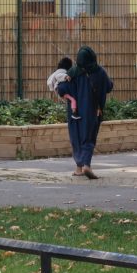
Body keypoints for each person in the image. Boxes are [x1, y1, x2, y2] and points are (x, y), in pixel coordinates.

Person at [55, 45, 113, 178]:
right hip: (93, 111)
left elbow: (62, 89)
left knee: (76, 138)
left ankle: (78, 168)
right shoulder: (100, 72)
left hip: (74, 113)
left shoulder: (72, 73)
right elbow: (109, 87)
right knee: (88, 138)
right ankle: (87, 165)